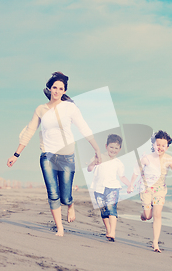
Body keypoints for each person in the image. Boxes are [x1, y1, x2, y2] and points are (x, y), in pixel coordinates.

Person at [7, 72, 101, 236]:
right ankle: (60, 228)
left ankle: (70, 205)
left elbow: (83, 127)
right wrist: (16, 155)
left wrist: (97, 149)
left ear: (64, 91)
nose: (57, 91)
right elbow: (29, 132)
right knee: (53, 194)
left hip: (67, 157)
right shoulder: (41, 110)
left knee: (65, 197)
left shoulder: (70, 108)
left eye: (61, 88)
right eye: (54, 87)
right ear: (49, 89)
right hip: (47, 156)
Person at [133, 130, 172, 252]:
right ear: (153, 145)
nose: (160, 147)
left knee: (157, 214)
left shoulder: (169, 159)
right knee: (148, 216)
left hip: (160, 190)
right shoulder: (147, 158)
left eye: (163, 145)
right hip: (146, 189)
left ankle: (155, 242)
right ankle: (144, 214)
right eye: (157, 145)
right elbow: (137, 171)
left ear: (167, 147)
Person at [87, 134, 132, 242]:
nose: (113, 150)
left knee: (111, 209)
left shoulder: (118, 163)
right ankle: (108, 230)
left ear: (120, 149)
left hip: (113, 188)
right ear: (106, 146)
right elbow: (89, 169)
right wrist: (94, 161)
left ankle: (113, 231)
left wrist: (129, 184)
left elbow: (122, 176)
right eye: (111, 147)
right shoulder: (99, 157)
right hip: (98, 189)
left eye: (116, 148)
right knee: (104, 211)